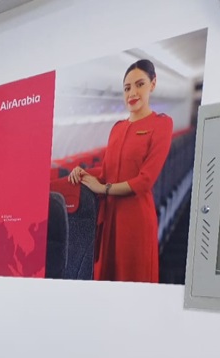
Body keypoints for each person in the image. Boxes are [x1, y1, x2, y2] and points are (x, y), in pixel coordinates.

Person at [68, 59, 172, 283]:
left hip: (136, 220)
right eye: (127, 88)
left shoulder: (161, 124)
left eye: (140, 84)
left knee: (132, 284)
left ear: (153, 84)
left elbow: (144, 181)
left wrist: (103, 188)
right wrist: (82, 173)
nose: (132, 93)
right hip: (111, 218)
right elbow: (107, 173)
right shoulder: (117, 128)